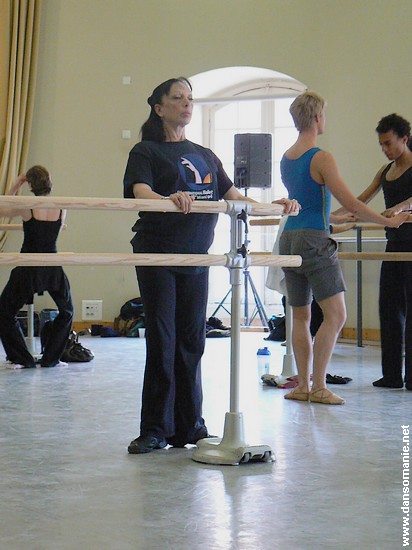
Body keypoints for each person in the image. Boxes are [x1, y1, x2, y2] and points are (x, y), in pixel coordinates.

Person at [123, 76, 299, 454]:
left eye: (190, 98)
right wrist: (169, 197)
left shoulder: (204, 153)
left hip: (197, 256)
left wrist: (276, 205)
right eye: (178, 98)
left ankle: (190, 425)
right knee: (163, 339)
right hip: (158, 254)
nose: (186, 104)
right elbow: (140, 192)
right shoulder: (146, 151)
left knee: (193, 340)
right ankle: (155, 428)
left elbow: (234, 197)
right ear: (159, 107)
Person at [278, 91, 409, 405]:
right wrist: (389, 222)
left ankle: (303, 386)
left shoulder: (287, 157)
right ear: (318, 118)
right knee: (336, 315)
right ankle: (319, 385)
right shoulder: (321, 157)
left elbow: (316, 206)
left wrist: (339, 221)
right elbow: (351, 201)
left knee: (300, 316)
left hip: (290, 238)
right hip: (314, 240)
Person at [336, 114, 412, 389]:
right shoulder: (384, 171)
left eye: (389, 143)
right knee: (389, 309)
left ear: (404, 139)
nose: (385, 149)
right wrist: (332, 216)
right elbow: (361, 200)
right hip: (394, 245)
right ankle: (392, 375)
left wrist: (402, 206)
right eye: (381, 144)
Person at [0, 166, 73, 369]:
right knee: (67, 311)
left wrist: (16, 184)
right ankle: (51, 358)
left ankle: (22, 359)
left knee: (4, 312)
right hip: (51, 265)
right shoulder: (61, 207)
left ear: (31, 184)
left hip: (28, 266)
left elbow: (2, 208)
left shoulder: (28, 206)